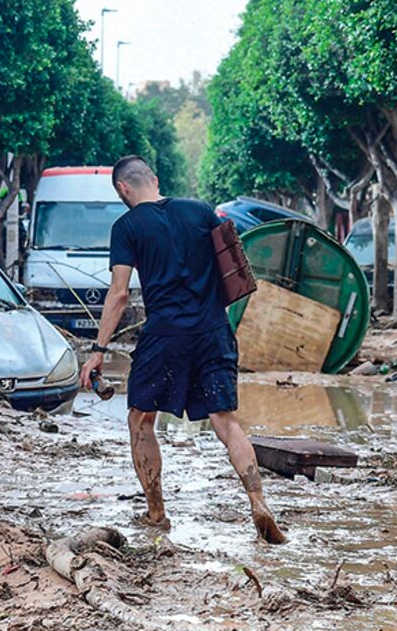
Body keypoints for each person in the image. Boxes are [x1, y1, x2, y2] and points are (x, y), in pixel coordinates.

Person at [79, 155, 287, 544]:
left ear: (123, 189)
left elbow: (120, 294)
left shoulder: (126, 227)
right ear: (154, 180)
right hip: (213, 329)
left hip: (164, 335)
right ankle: (258, 502)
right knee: (227, 423)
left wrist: (97, 350)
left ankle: (156, 513)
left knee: (141, 420)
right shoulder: (201, 210)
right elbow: (234, 269)